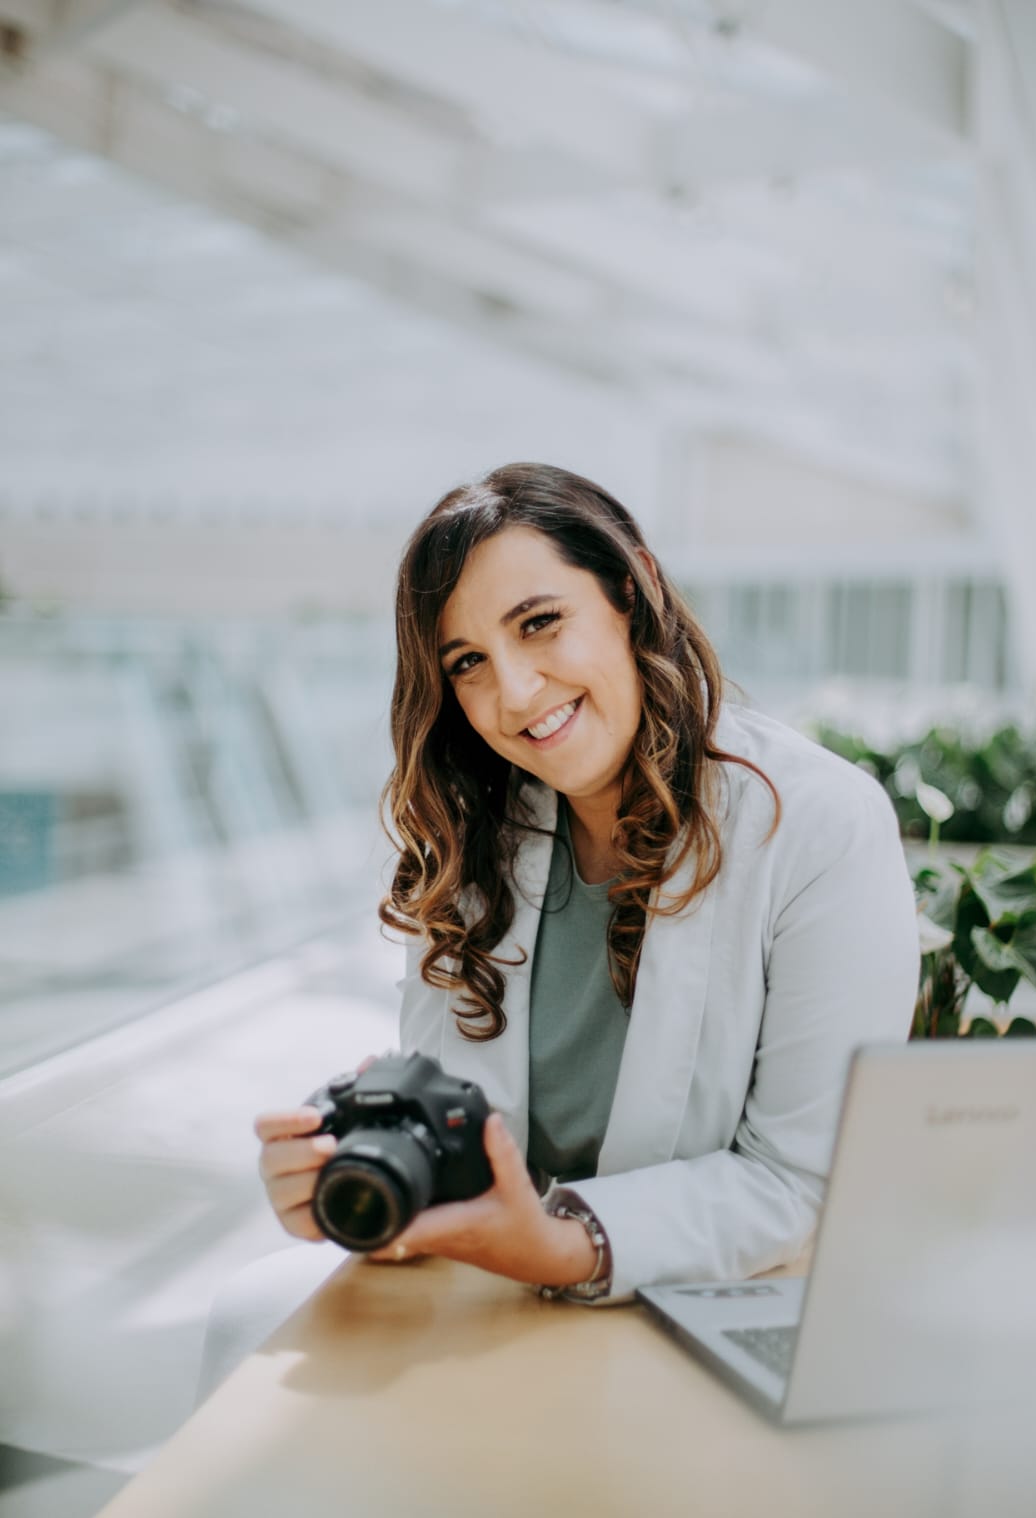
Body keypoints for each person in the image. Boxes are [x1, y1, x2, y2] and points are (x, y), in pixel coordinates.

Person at [255, 462, 919, 1306]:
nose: (515, 692)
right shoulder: (472, 837)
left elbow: (794, 1185)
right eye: (468, 662)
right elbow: (464, 1139)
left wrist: (562, 1245)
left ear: (631, 589)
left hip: (705, 1317)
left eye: (539, 622)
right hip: (494, 1310)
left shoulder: (821, 825)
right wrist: (374, 1182)